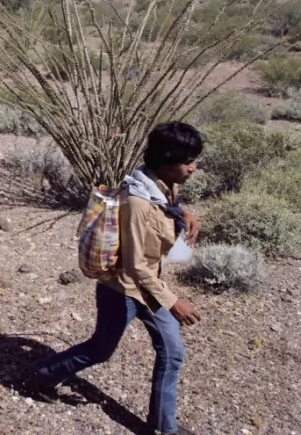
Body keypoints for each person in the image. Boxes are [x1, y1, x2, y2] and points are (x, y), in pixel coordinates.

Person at [31, 121, 205, 435]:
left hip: (149, 288)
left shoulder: (161, 184)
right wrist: (174, 301)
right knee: (100, 349)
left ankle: (164, 428)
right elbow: (136, 266)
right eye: (188, 161)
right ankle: (44, 373)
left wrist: (185, 214)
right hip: (122, 290)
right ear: (166, 163)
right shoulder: (137, 203)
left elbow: (167, 207)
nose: (194, 168)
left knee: (172, 351)